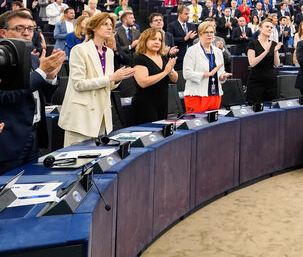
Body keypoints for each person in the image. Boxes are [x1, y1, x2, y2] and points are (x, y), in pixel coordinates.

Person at [0, 10, 65, 174]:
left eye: (30, 28)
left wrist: (50, 76)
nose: (27, 33)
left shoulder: (34, 59)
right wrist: (42, 72)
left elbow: (43, 97)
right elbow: (8, 97)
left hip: (33, 135)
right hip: (8, 140)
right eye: (20, 28)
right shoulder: (2, 60)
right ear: (3, 32)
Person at [59, 13, 135, 146]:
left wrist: (117, 79)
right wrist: (112, 77)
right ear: (94, 27)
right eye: (105, 24)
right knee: (77, 159)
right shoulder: (79, 50)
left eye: (111, 25)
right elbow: (78, 84)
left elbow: (108, 85)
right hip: (81, 116)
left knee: (95, 160)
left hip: (101, 115)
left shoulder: (109, 52)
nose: (109, 28)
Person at [132, 28, 178, 124]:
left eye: (160, 40)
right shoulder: (139, 59)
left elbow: (175, 79)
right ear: (145, 41)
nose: (157, 42)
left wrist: (170, 71)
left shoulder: (162, 57)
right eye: (153, 39)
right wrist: (165, 72)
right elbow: (143, 82)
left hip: (162, 102)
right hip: (145, 104)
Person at [182, 21, 230, 112]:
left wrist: (222, 77)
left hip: (215, 95)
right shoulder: (192, 51)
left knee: (213, 125)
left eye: (212, 32)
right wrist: (206, 74)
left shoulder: (218, 51)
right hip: (197, 96)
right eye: (206, 32)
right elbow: (186, 74)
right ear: (200, 35)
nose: (209, 35)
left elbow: (220, 73)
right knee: (197, 125)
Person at [246, 17, 281, 104]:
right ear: (260, 28)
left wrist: (275, 51)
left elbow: (277, 64)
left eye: (271, 27)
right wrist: (265, 51)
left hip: (271, 81)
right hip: (256, 81)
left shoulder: (273, 43)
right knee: (255, 108)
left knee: (271, 109)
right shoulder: (252, 43)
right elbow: (252, 63)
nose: (269, 29)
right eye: (267, 26)